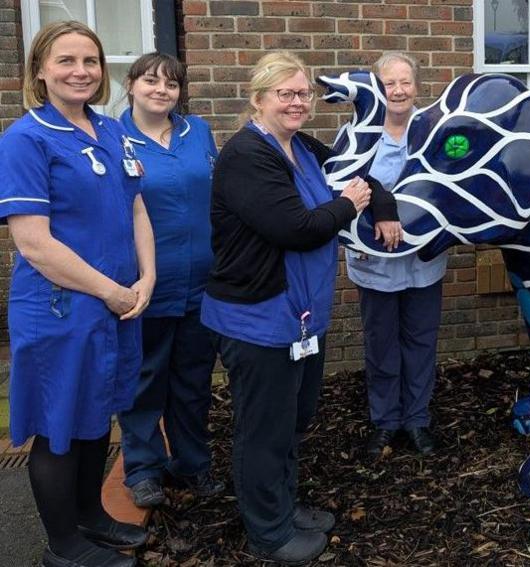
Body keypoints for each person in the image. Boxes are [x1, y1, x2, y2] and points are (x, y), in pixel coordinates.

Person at [200, 51, 397, 564]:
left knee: (293, 419)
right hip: (257, 317)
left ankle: (283, 507)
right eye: (284, 93)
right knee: (263, 428)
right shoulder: (248, 155)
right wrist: (348, 206)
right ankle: (268, 533)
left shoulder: (302, 148)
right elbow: (295, 228)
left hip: (302, 318)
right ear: (258, 98)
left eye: (303, 93)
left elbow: (361, 176)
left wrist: (383, 206)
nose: (296, 102)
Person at [0, 20, 153, 567]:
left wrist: (147, 277)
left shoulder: (110, 131)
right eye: (66, 61)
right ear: (40, 70)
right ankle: (63, 547)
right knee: (58, 425)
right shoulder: (25, 139)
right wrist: (112, 290)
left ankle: (91, 517)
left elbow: (137, 207)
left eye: (90, 61)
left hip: (116, 302)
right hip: (61, 308)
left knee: (97, 413)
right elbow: (35, 244)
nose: (81, 71)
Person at [116, 53, 224, 508]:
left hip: (202, 281)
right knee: (144, 380)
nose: (161, 90)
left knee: (193, 381)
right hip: (145, 285)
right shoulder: (111, 138)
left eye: (172, 84)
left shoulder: (197, 132)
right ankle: (143, 468)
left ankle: (192, 463)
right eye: (151, 81)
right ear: (131, 85)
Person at [347, 52, 448, 457]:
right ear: (377, 88)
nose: (399, 90)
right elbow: (345, 183)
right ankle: (386, 421)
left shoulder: (436, 131)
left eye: (406, 82)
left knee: (421, 341)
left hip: (424, 262)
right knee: (382, 344)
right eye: (390, 83)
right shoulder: (359, 134)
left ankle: (418, 420)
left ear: (417, 87)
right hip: (375, 264)